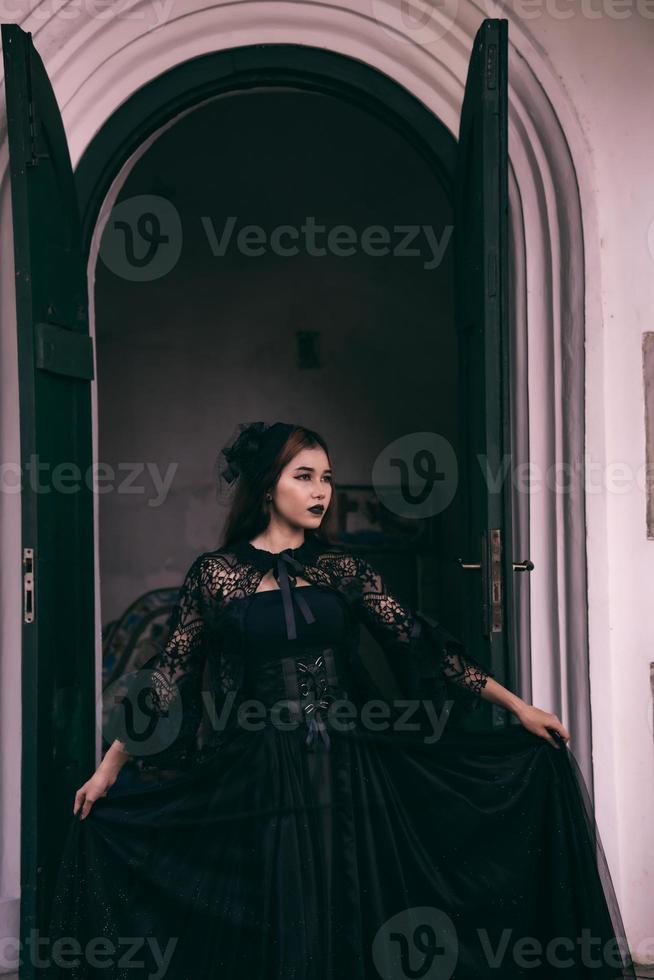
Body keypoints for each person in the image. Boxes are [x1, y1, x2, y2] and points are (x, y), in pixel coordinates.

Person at [46, 421, 635, 980]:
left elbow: (422, 645)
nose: (321, 490)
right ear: (266, 486)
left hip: (350, 762)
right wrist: (108, 770)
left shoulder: (344, 569)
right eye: (304, 475)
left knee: (350, 893)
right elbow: (171, 673)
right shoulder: (216, 575)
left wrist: (518, 707)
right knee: (280, 900)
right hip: (259, 768)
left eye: (326, 477)